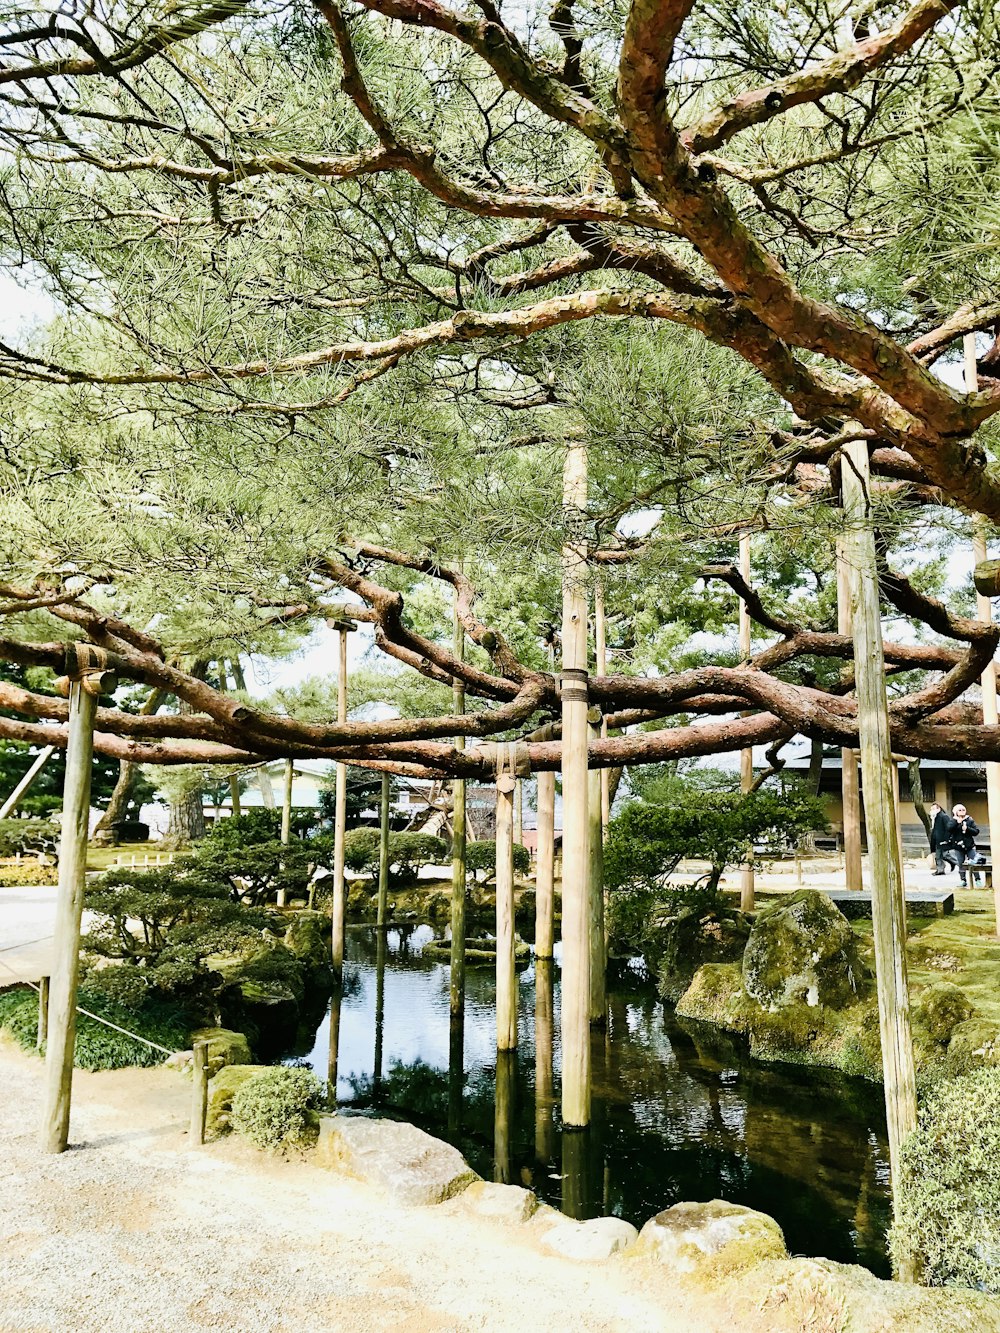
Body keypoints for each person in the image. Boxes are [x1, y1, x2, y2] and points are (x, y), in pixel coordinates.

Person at [948, 804, 983, 887]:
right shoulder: (953, 820)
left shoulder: (969, 820)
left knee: (973, 862)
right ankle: (963, 880)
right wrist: (957, 823)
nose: (962, 811)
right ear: (955, 811)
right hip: (958, 846)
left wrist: (967, 828)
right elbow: (949, 829)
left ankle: (977, 880)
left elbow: (976, 831)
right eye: (959, 810)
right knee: (961, 863)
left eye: (963, 809)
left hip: (969, 845)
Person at [928, 802, 954, 875]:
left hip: (942, 839)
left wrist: (946, 839)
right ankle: (941, 869)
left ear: (938, 808)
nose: (932, 810)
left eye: (933, 808)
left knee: (943, 855)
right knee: (939, 855)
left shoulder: (943, 816)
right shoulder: (934, 817)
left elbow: (948, 828)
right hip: (937, 839)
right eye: (931, 809)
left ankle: (956, 864)